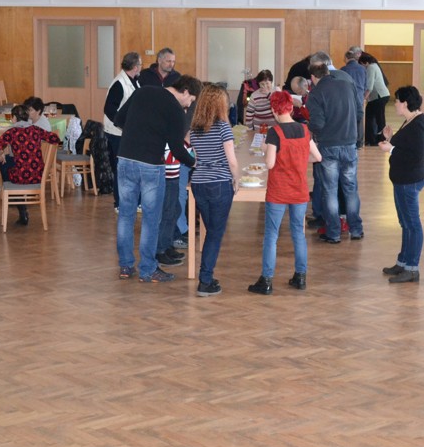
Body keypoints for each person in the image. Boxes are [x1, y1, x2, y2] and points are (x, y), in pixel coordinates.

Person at [113, 75, 201, 283]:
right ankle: (148, 269)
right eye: (191, 100)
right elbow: (177, 149)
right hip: (151, 165)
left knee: (125, 215)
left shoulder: (143, 91)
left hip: (125, 159)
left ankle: (126, 266)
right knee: (151, 219)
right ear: (185, 91)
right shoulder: (175, 110)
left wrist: (137, 132)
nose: (189, 105)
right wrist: (195, 163)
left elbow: (118, 120)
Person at [249, 91, 321, 295]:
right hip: (299, 190)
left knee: (271, 235)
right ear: (290, 107)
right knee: (298, 233)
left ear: (274, 110)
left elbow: (271, 163)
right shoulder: (304, 129)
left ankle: (266, 280)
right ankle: (300, 277)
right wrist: (298, 159)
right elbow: (317, 157)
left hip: (279, 191)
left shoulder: (275, 132)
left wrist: (266, 149)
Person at [187, 84, 240, 297]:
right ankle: (205, 281)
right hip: (219, 183)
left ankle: (207, 277)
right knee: (215, 234)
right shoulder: (223, 128)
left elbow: (194, 153)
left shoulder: (195, 130)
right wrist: (237, 179)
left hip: (198, 183)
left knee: (211, 231)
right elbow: (232, 161)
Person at [306, 52, 364, 243]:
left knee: (330, 190)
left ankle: (333, 233)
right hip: (349, 143)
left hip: (329, 145)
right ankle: (356, 229)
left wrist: (309, 127)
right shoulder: (347, 84)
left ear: (313, 77)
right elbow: (359, 112)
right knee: (350, 188)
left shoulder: (316, 93)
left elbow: (318, 124)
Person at [378, 86, 424, 284]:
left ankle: (412, 269)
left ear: (406, 103)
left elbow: (416, 156)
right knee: (405, 223)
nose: (395, 104)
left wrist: (391, 149)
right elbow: (407, 146)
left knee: (413, 225)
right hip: (402, 179)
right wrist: (391, 139)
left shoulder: (418, 124)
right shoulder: (411, 120)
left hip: (410, 180)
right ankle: (403, 262)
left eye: (397, 101)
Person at [0, 103, 59, 226]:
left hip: (21, 177)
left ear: (14, 118)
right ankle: (18, 202)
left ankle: (18, 202)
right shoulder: (36, 130)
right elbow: (55, 139)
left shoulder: (11, 132)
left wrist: (0, 153)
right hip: (38, 175)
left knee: (4, 163)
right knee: (9, 160)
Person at [103, 52, 142, 211]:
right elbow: (109, 109)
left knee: (132, 168)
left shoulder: (134, 81)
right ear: (135, 67)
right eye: (140, 64)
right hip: (117, 134)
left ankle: (134, 202)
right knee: (121, 169)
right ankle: (119, 203)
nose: (141, 67)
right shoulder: (119, 84)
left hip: (128, 133)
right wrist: (124, 125)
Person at [359, 51, 391, 146]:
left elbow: (370, 86)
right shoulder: (374, 65)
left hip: (379, 96)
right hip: (381, 96)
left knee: (376, 118)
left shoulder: (371, 68)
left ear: (365, 62)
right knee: (377, 118)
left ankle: (378, 139)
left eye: (361, 64)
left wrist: (364, 98)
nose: (362, 67)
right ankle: (375, 139)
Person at [340, 46, 368, 148]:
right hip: (359, 95)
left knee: (348, 117)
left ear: (347, 58)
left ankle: (349, 140)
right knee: (359, 119)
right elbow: (366, 85)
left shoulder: (343, 69)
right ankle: (359, 142)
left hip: (347, 96)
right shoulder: (363, 69)